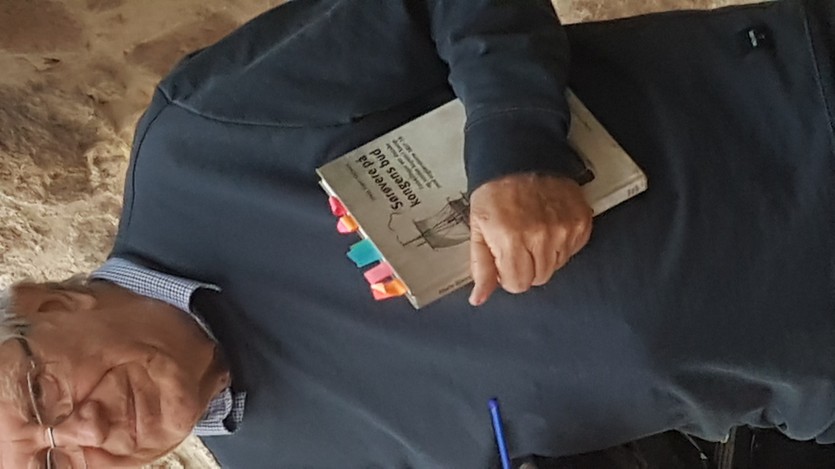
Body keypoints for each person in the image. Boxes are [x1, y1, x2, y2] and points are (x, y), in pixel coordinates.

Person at [0, 0, 833, 467]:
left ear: (51, 304)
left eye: (40, 394)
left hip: (802, 125)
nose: (86, 431)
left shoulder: (201, 143)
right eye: (52, 463)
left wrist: (513, 144)